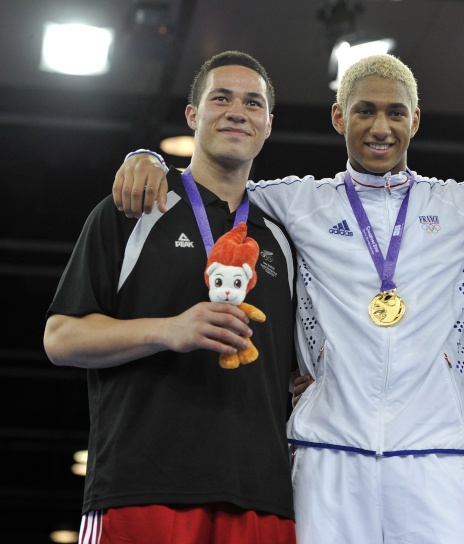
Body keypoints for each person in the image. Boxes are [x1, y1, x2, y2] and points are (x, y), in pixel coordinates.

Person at [111, 54, 464, 543]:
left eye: (395, 112)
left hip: (436, 460)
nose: (381, 126)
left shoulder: (461, 206)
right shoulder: (297, 202)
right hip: (330, 455)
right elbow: (215, 184)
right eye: (364, 111)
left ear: (415, 121)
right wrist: (150, 158)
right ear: (339, 118)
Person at [43, 51, 297, 543]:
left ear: (267, 124)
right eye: (220, 98)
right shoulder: (134, 208)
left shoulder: (281, 238)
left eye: (253, 103)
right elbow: (60, 337)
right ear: (192, 115)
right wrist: (170, 329)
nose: (237, 111)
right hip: (143, 485)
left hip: (261, 496)